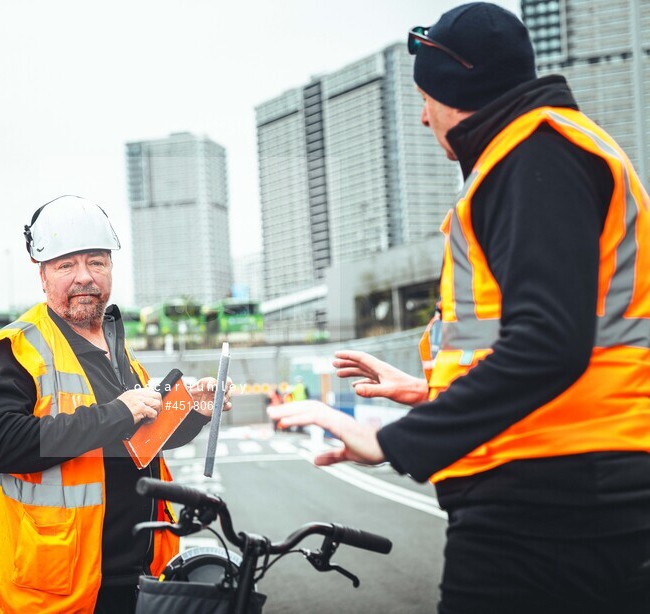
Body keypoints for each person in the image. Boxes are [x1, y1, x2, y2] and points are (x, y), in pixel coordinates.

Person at [270, 3, 650, 612]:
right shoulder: (539, 156)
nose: (422, 116)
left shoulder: (535, 156)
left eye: (427, 96)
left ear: (459, 90)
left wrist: (395, 441)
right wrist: (430, 389)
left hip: (547, 499)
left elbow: (550, 343)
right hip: (570, 486)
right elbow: (558, 334)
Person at [0, 195, 231, 613]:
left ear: (111, 267)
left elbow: (141, 437)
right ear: (42, 275)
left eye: (96, 262)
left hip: (139, 574)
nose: (84, 277)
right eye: (65, 265)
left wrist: (195, 410)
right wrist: (118, 411)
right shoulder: (16, 349)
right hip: (58, 587)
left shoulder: (117, 348)